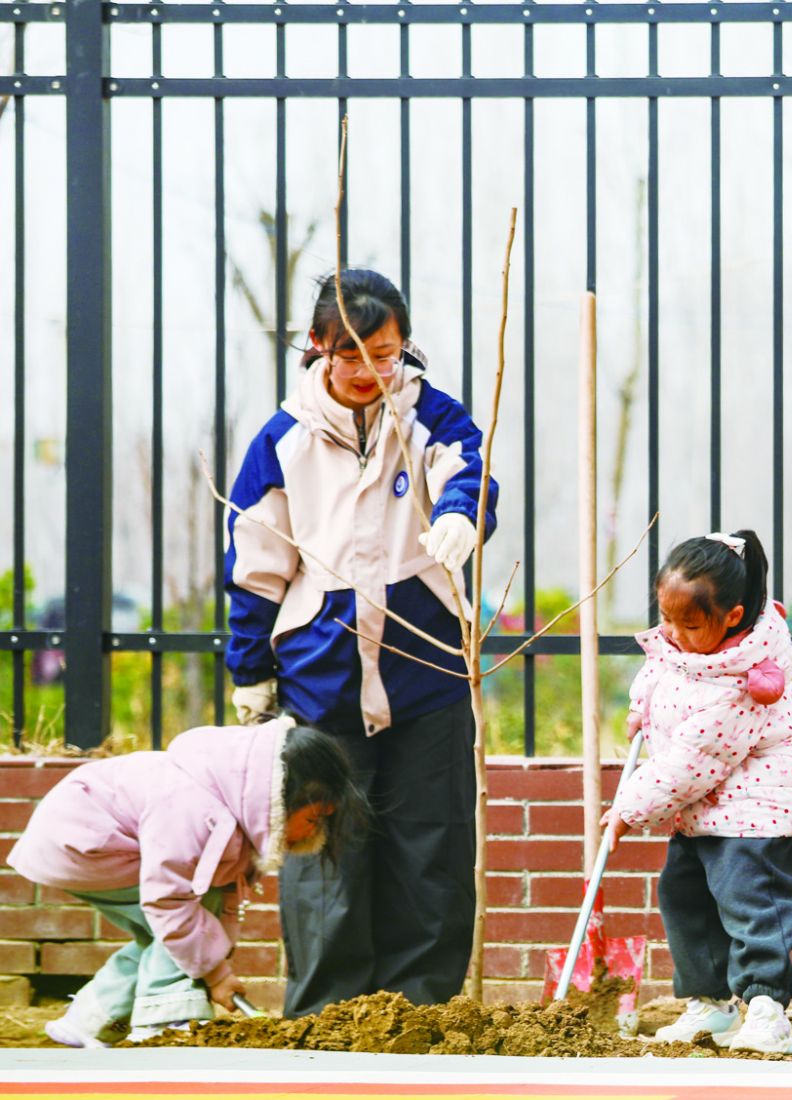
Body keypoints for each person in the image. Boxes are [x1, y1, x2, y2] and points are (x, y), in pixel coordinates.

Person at [224, 269, 499, 1017]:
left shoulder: (430, 414)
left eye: (387, 354)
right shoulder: (283, 441)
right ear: (319, 345)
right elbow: (254, 568)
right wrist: (250, 671)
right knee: (326, 851)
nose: (372, 371)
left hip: (426, 667)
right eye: (353, 355)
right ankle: (328, 1013)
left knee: (431, 846)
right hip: (322, 676)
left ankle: (422, 1012)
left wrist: (460, 514)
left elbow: (469, 472)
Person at [602, 530, 792, 1056]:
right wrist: (640, 708)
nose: (674, 634)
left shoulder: (745, 682)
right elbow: (657, 671)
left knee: (752, 903)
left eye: (690, 624)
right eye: (667, 619)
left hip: (760, 807)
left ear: (732, 616)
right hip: (707, 806)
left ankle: (767, 1008)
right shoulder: (685, 647)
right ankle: (710, 1005)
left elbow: (690, 763)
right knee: (685, 897)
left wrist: (628, 809)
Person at [5, 720, 367, 1046]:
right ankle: (167, 1020)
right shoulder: (196, 806)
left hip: (85, 843)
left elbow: (200, 916)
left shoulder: (232, 803)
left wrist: (216, 970)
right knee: (182, 915)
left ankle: (89, 1020)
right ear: (280, 799)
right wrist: (213, 975)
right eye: (314, 818)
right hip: (82, 844)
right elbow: (169, 901)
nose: (315, 831)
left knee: (170, 935)